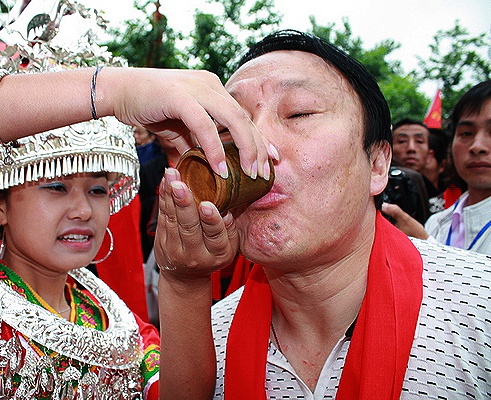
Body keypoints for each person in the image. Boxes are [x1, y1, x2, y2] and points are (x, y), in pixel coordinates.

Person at [0, 43, 273, 400]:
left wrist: (185, 281)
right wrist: (111, 91)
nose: (83, 211)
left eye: (97, 190)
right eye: (56, 186)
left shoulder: (121, 327)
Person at [154, 30, 491, 399]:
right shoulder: (205, 345)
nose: (254, 144)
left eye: (298, 112)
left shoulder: (479, 307)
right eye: (225, 127)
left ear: (377, 163)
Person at [384, 80, 491, 255]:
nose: (477, 146)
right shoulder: (437, 222)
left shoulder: (424, 233)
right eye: (466, 133)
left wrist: (427, 246)